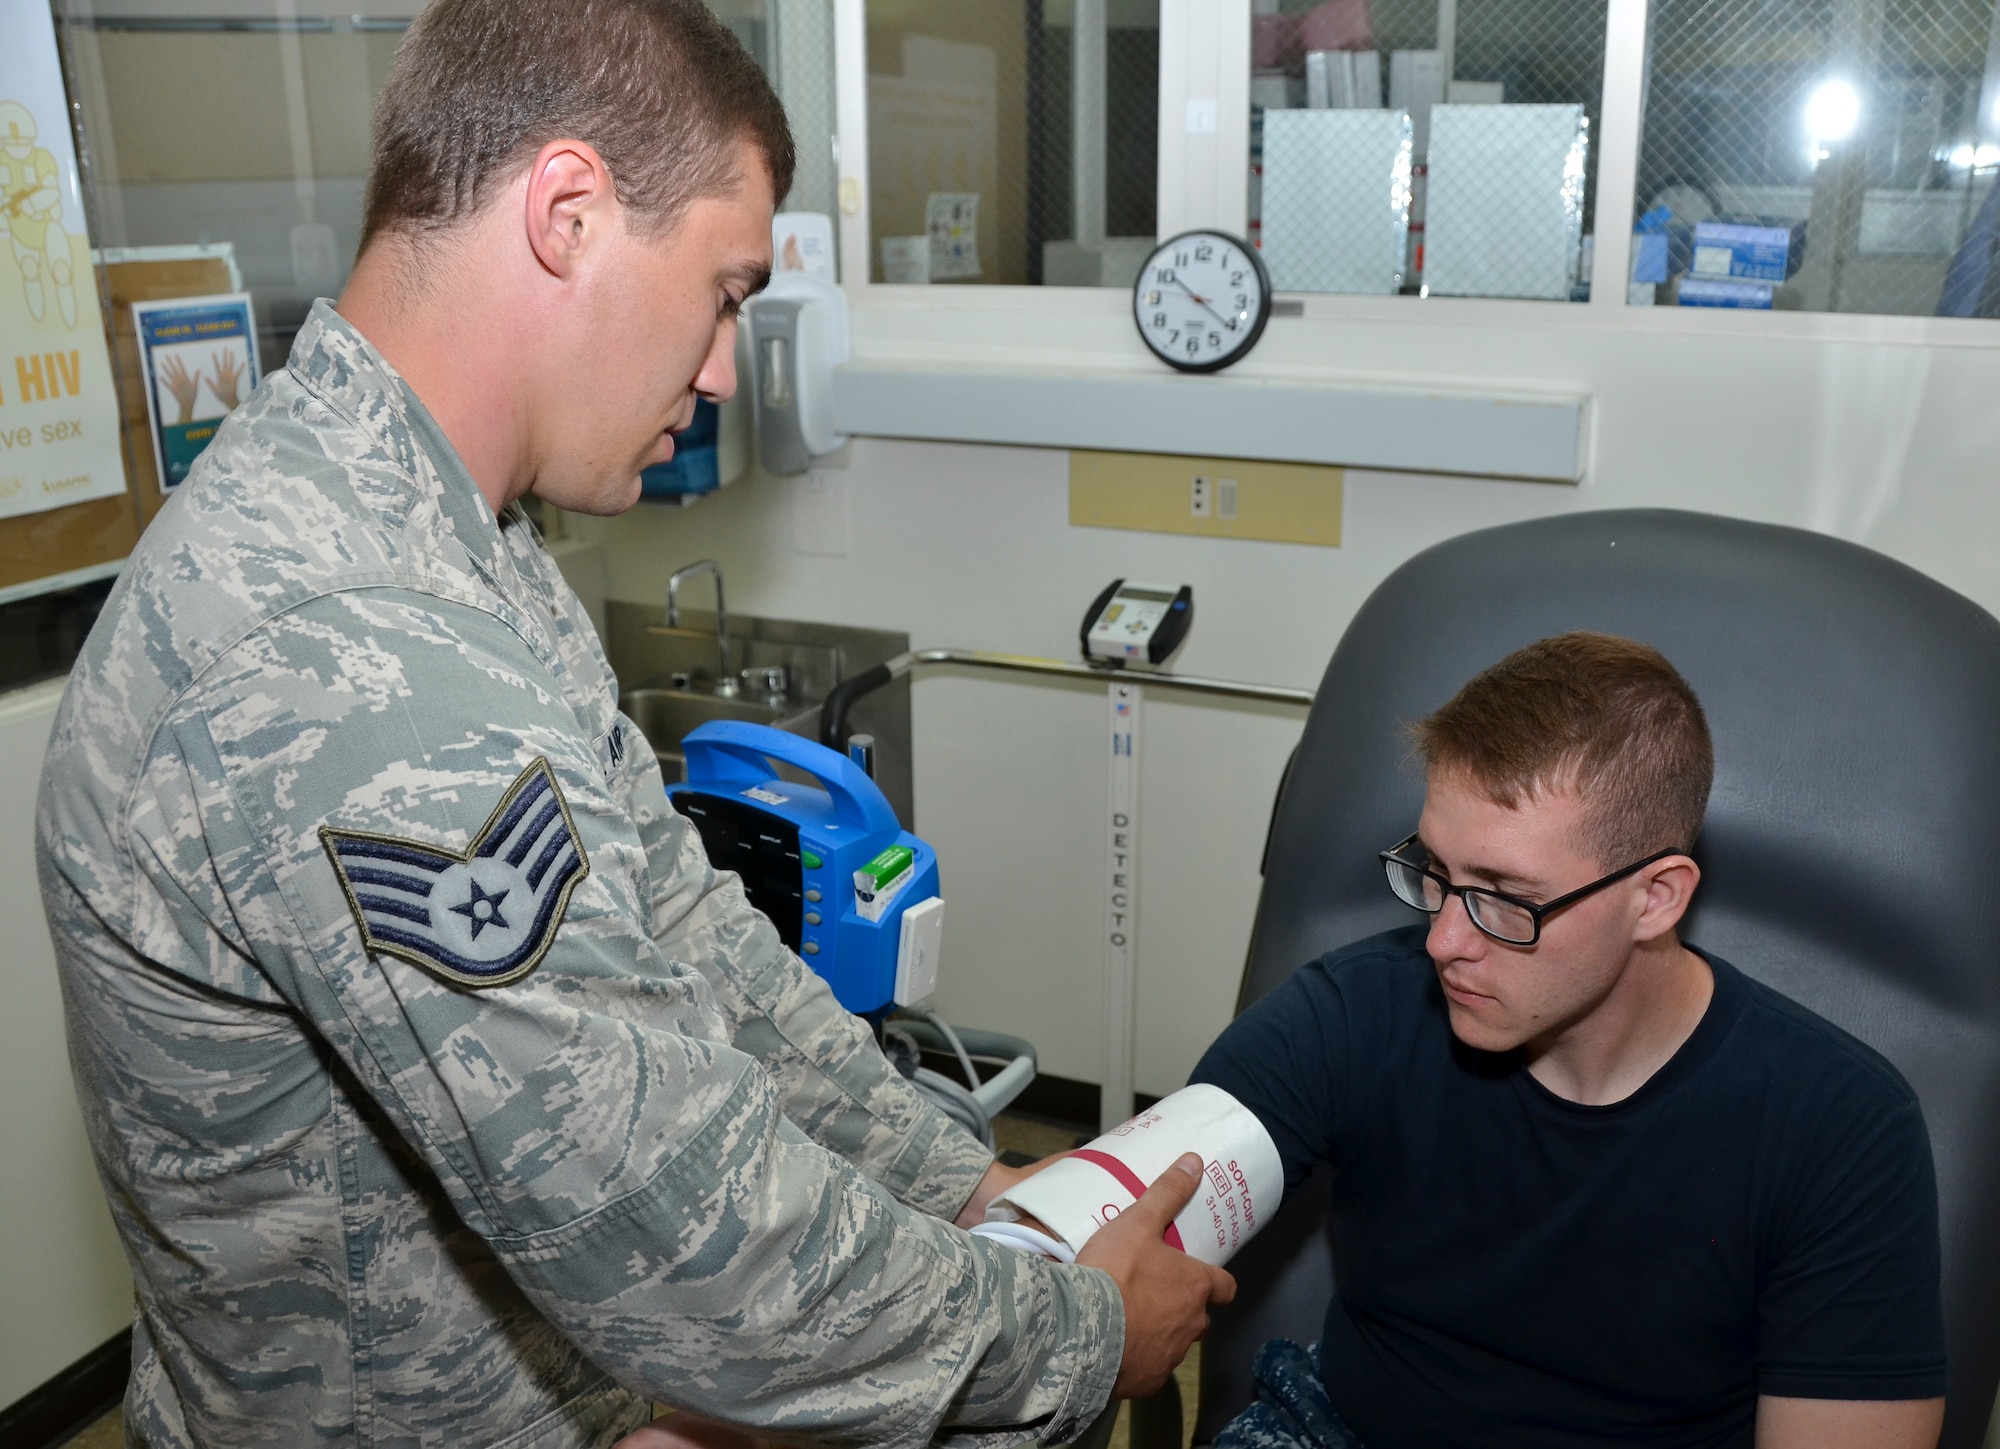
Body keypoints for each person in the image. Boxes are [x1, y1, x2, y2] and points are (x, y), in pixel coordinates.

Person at [34, 3, 1232, 1446]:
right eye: (724, 291)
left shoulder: (447, 535)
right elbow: (696, 1244)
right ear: (569, 213)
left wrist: (956, 1186)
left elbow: (685, 924)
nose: (726, 367)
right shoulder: (347, 658)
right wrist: (1081, 1338)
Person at [1192, 632, 1947, 1449]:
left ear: (1656, 898)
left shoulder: (1839, 1128)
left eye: (1507, 897)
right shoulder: (1360, 1007)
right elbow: (1132, 1198)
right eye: (1437, 873)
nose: (1444, 939)